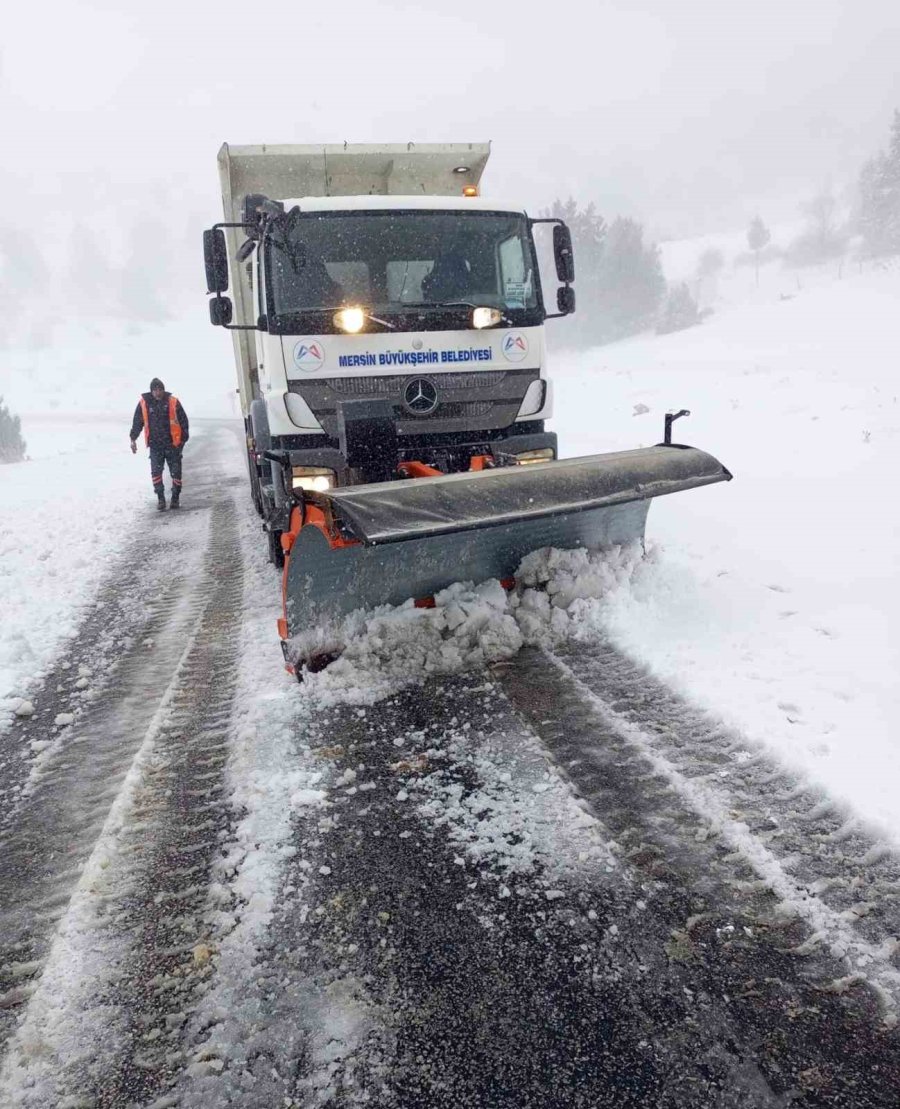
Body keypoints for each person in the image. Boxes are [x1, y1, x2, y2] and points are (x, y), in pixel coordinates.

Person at [129, 378, 189, 511]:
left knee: (176, 473)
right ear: (151, 391)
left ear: (163, 389)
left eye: (160, 389)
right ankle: (161, 499)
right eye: (155, 390)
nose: (157, 392)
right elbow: (137, 422)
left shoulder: (173, 402)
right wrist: (133, 438)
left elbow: (183, 421)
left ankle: (175, 498)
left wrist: (182, 441)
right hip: (155, 445)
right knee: (156, 473)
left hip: (172, 444)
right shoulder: (144, 404)